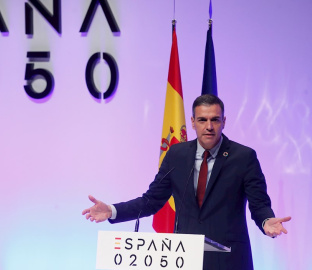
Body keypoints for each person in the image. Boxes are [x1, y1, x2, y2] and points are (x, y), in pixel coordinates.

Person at [82, 94, 291, 270]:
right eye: (202, 120)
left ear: (224, 121)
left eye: (215, 120)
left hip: (229, 260)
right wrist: (112, 210)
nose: (209, 126)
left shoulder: (244, 157)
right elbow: (151, 200)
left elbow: (259, 203)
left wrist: (266, 221)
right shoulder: (177, 155)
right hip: (184, 259)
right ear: (192, 122)